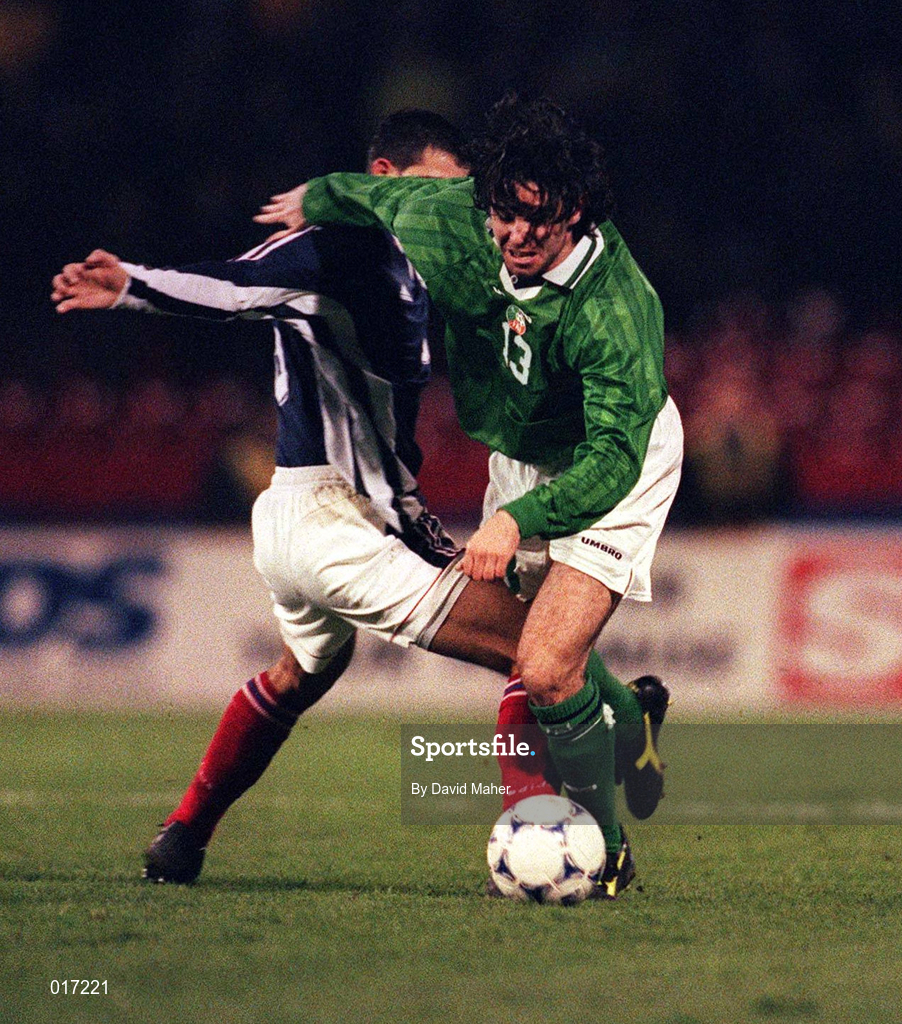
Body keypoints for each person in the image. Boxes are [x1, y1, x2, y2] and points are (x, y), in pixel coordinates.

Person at [254, 95, 683, 891]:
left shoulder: (618, 311)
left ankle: (608, 850)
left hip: (613, 461)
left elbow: (613, 460)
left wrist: (519, 520)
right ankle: (633, 718)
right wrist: (310, 198)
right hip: (522, 457)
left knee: (550, 666)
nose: (516, 236)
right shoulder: (453, 217)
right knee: (534, 652)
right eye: (504, 216)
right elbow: (373, 191)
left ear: (576, 214)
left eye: (538, 222)